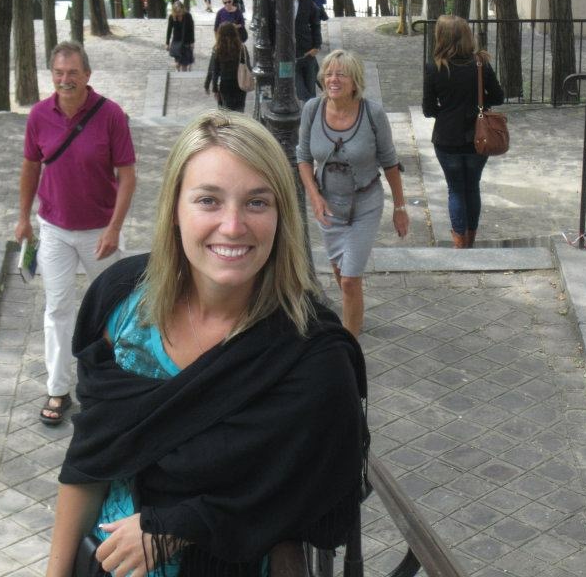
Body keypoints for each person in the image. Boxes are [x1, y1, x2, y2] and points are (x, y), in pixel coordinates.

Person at [45, 111, 367, 577]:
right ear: (175, 210)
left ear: (282, 216)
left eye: (257, 202)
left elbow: (299, 491)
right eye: (209, 201)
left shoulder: (311, 357)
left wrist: (178, 527)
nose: (233, 226)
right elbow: (92, 456)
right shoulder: (119, 307)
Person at [14, 41, 136, 426]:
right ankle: (58, 388)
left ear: (87, 75)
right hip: (54, 229)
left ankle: (108, 385)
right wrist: (23, 218)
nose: (65, 80)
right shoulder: (39, 115)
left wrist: (115, 227)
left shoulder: (110, 115)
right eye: (58, 73)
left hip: (100, 230)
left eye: (72, 73)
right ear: (52, 75)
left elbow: (127, 176)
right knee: (57, 308)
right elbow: (31, 167)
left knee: (111, 309)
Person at [297, 49, 409, 336]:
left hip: (365, 204)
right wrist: (315, 197)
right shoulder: (312, 109)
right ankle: (354, 310)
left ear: (355, 81)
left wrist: (400, 208)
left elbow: (390, 162)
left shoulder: (372, 113)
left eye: (341, 74)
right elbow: (303, 158)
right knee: (340, 272)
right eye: (329, 74)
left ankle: (349, 343)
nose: (333, 79)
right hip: (329, 206)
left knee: (349, 279)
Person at [422, 15, 504, 248]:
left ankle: (460, 241)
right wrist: (479, 104)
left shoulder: (435, 67)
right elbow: (498, 96)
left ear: (442, 37)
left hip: (446, 138)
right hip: (478, 137)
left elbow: (428, 109)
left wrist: (447, 111)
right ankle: (470, 239)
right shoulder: (480, 64)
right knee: (472, 187)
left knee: (455, 189)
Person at [204, 23, 247, 112]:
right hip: (240, 84)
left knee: (225, 112)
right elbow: (248, 67)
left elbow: (214, 70)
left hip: (225, 85)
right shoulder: (242, 48)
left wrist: (213, 88)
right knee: (239, 112)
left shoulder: (218, 49)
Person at [294, 0, 322, 101]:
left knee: (310, 87)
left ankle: (311, 108)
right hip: (288, 55)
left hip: (307, 51)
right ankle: (309, 106)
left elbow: (315, 24)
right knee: (299, 88)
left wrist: (317, 46)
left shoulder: (306, 2)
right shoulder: (275, 3)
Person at [166, 1, 195, 71]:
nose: (178, 13)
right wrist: (167, 43)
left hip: (186, 41)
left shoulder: (188, 16)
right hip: (176, 41)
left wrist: (192, 42)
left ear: (182, 9)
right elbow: (169, 30)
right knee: (177, 64)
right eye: (176, 12)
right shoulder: (172, 17)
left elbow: (191, 29)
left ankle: (184, 74)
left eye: (179, 11)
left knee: (184, 64)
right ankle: (178, 72)